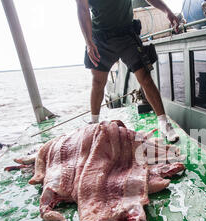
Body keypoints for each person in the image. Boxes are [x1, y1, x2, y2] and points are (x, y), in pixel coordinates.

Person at [76, 0, 180, 142]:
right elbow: (82, 9)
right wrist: (88, 42)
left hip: (126, 34)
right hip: (100, 38)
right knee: (98, 81)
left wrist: (167, 11)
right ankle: (94, 124)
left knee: (145, 77)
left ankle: (163, 123)